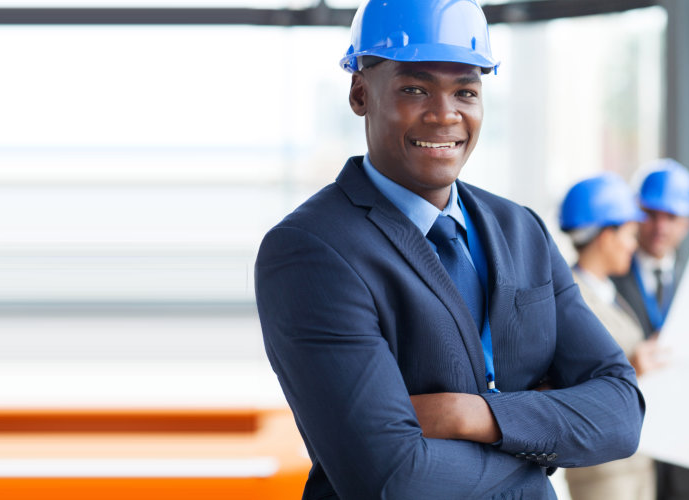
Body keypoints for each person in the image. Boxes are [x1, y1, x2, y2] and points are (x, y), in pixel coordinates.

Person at [254, 1, 644, 497]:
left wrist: (473, 415)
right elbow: (393, 477)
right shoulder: (311, 251)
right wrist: (540, 443)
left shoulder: (521, 230)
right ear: (360, 94)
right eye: (414, 89)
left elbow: (622, 412)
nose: (444, 114)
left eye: (466, 91)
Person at [556, 173, 662, 500]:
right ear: (605, 236)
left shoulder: (608, 292)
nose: (634, 244)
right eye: (629, 234)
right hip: (603, 473)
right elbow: (564, 383)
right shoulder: (570, 298)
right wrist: (632, 366)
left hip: (636, 462)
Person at [609, 159, 689, 500]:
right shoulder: (607, 278)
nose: (660, 226)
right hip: (630, 447)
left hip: (686, 444)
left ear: (687, 222)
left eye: (672, 217)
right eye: (651, 214)